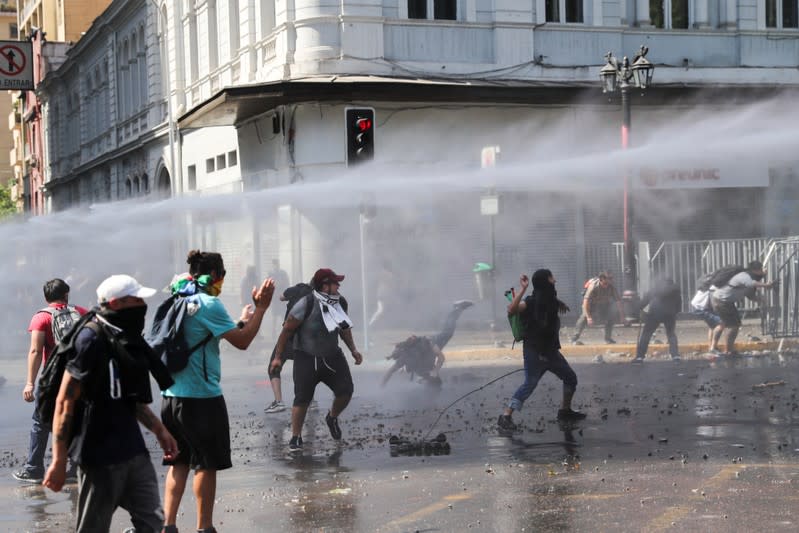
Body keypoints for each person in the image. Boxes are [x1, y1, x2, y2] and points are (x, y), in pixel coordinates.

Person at [43, 275, 179, 533]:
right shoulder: (89, 340)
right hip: (100, 458)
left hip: (134, 452)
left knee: (152, 524)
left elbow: (129, 397)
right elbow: (64, 401)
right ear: (117, 304)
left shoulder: (126, 340)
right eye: (136, 300)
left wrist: (160, 431)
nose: (142, 305)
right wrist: (59, 460)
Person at [161, 250, 275, 533]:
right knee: (205, 464)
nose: (222, 281)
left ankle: (169, 526)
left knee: (179, 462)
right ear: (214, 275)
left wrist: (238, 321)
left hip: (171, 398)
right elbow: (243, 342)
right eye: (222, 276)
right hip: (201, 399)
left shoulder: (178, 297)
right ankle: (205, 528)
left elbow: (204, 336)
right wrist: (261, 309)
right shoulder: (209, 303)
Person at [271, 268, 363, 452]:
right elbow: (286, 331)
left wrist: (353, 349)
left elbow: (344, 327)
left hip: (332, 355)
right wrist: (278, 357)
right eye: (335, 283)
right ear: (324, 285)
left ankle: (332, 417)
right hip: (306, 357)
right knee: (302, 399)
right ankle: (296, 437)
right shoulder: (306, 304)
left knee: (346, 391)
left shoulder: (340, 303)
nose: (339, 286)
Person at [13, 278, 88, 484]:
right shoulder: (81, 312)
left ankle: (34, 468)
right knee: (75, 420)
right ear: (66, 294)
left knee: (41, 422)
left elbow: (36, 351)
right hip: (77, 377)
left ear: (46, 298)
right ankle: (74, 469)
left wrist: (30, 382)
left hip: (52, 379)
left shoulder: (41, 318)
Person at [497, 270, 585, 432]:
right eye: (552, 277)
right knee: (530, 383)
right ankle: (506, 416)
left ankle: (565, 411)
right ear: (545, 281)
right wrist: (523, 289)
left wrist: (560, 303)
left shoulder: (549, 299)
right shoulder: (530, 302)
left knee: (570, 377)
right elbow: (512, 309)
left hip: (551, 351)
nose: (555, 279)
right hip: (535, 352)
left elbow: (548, 302)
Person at [381, 300, 474, 387]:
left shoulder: (423, 346)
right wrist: (381, 389)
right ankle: (423, 381)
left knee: (448, 332)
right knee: (436, 383)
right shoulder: (404, 359)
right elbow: (389, 373)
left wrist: (435, 371)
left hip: (433, 342)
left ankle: (458, 308)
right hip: (423, 365)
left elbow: (441, 357)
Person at [264, 282, 312, 413]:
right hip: (306, 340)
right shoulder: (315, 297)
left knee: (273, 367)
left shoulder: (294, 290)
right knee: (305, 370)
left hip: (289, 337)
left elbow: (281, 297)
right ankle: (309, 400)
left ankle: (279, 402)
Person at [710, 260, 774, 355]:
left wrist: (761, 300)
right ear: (756, 270)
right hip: (722, 301)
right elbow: (751, 284)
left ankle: (713, 348)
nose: (763, 273)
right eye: (761, 270)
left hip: (723, 301)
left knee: (724, 324)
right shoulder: (744, 276)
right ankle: (728, 350)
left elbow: (750, 295)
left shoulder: (749, 278)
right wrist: (766, 285)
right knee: (733, 325)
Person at [633, 277, 682, 363]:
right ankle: (675, 356)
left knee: (646, 334)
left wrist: (639, 307)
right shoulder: (675, 291)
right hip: (669, 314)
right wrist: (674, 313)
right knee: (671, 334)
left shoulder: (655, 289)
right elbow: (679, 306)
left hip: (655, 314)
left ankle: (640, 357)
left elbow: (644, 301)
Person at [571, 271, 624, 345]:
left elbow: (618, 302)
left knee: (611, 317)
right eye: (605, 283)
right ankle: (574, 338)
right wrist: (589, 317)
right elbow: (586, 303)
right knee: (583, 318)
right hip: (590, 305)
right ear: (601, 280)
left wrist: (622, 316)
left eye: (609, 281)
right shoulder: (593, 287)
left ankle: (608, 339)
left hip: (603, 304)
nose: (607, 284)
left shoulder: (611, 287)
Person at [690, 288, 723, 354]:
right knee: (721, 324)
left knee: (712, 326)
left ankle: (711, 347)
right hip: (700, 308)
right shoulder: (713, 289)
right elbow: (715, 304)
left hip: (698, 307)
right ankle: (713, 348)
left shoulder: (708, 285)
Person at [267, 259, 290, 336]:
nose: (276, 266)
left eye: (276, 264)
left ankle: (284, 330)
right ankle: (273, 331)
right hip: (275, 297)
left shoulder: (283, 273)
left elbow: (287, 283)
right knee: (275, 315)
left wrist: (286, 294)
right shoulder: (270, 274)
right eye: (274, 264)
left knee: (282, 314)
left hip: (282, 296)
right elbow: (268, 284)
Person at [368, 262, 395, 329]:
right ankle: (370, 324)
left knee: (383, 311)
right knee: (380, 310)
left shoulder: (385, 274)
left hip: (385, 295)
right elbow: (390, 281)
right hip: (382, 295)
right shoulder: (385, 273)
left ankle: (374, 325)